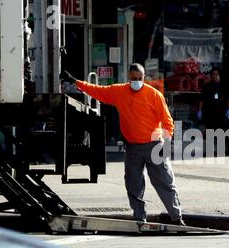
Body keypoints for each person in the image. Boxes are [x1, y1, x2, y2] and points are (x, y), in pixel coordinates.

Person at [60, 64, 185, 225]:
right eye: (134, 78)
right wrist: (75, 82)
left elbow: (167, 121)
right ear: (129, 77)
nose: (137, 81)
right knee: (133, 185)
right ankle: (140, 218)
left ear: (144, 77)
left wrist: (166, 144)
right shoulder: (119, 92)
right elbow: (97, 90)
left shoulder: (154, 95)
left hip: (155, 145)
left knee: (165, 183)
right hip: (133, 147)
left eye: (140, 78)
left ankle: (177, 218)